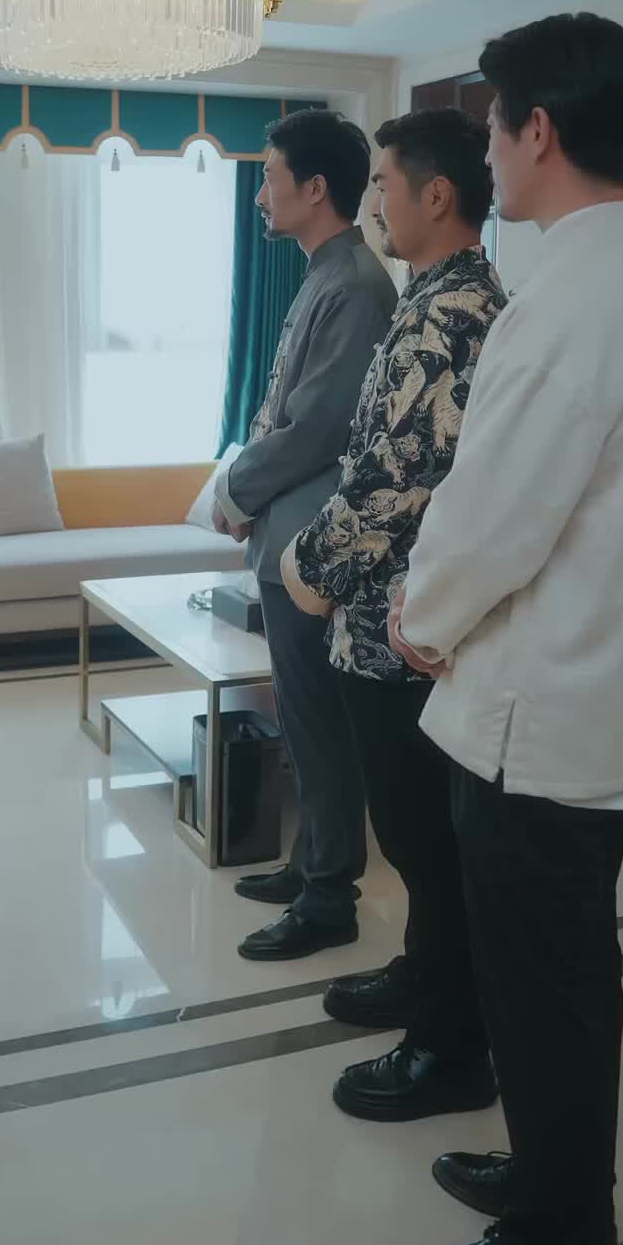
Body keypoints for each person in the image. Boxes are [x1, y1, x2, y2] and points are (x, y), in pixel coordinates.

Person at [388, 14, 623, 1245]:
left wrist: (423, 615)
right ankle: (550, 1178)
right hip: (579, 694)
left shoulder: (570, 295)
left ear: (540, 133)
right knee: (554, 979)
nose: (491, 152)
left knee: (548, 987)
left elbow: (497, 509)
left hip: (539, 710)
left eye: (498, 126)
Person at [281, 109, 505, 1109]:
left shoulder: (449, 314)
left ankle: (447, 1049)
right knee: (414, 836)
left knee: (423, 838)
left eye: (382, 182)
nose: (374, 199)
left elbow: (393, 485)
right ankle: (424, 978)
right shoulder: (435, 296)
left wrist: (307, 566)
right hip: (387, 624)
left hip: (406, 630)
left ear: (436, 196)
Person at [212, 109, 396, 961]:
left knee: (319, 722)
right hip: (288, 532)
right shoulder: (324, 272)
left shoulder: (354, 283)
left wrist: (235, 488)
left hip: (313, 543)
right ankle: (308, 861)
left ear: (315, 188)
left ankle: (329, 898)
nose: (260, 195)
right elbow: (281, 405)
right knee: (300, 715)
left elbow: (318, 426)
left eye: (269, 177)